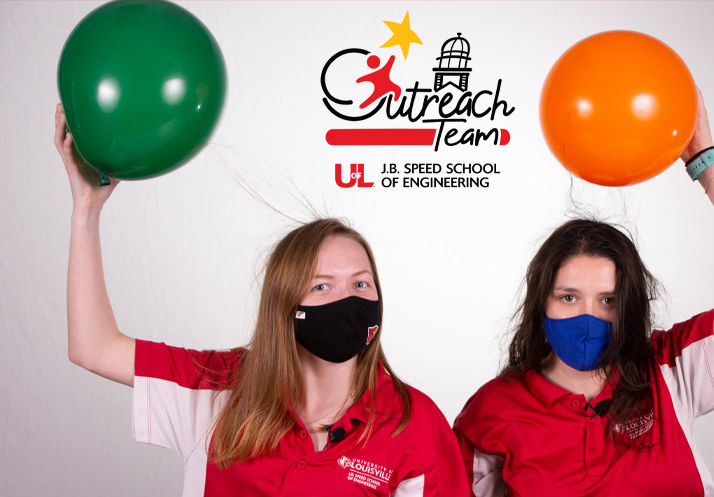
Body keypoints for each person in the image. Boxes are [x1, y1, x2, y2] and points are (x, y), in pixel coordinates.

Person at [55, 104, 468, 497]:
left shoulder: (413, 424)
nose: (348, 301)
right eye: (322, 286)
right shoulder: (216, 386)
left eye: (361, 285)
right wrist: (85, 209)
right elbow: (94, 347)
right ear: (285, 304)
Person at [453, 90, 714, 497]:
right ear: (541, 303)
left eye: (608, 300)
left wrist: (705, 161)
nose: (589, 317)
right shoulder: (494, 410)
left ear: (630, 305)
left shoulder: (669, 368)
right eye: (569, 297)